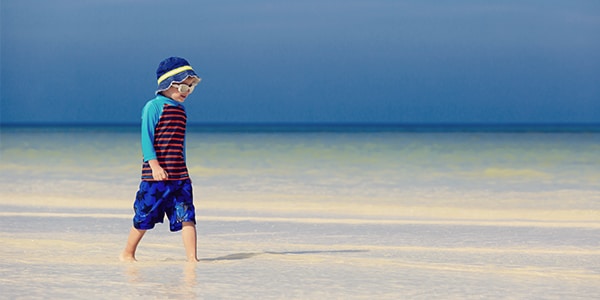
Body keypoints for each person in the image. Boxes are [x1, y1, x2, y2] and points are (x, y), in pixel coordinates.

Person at [120, 57, 201, 262]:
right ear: (168, 84)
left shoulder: (181, 111)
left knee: (187, 216)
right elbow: (146, 138)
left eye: (190, 88)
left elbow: (179, 145)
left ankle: (192, 259)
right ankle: (128, 253)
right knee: (144, 215)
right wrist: (154, 164)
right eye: (184, 87)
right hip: (155, 176)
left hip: (179, 175)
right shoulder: (153, 107)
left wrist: (184, 170)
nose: (187, 93)